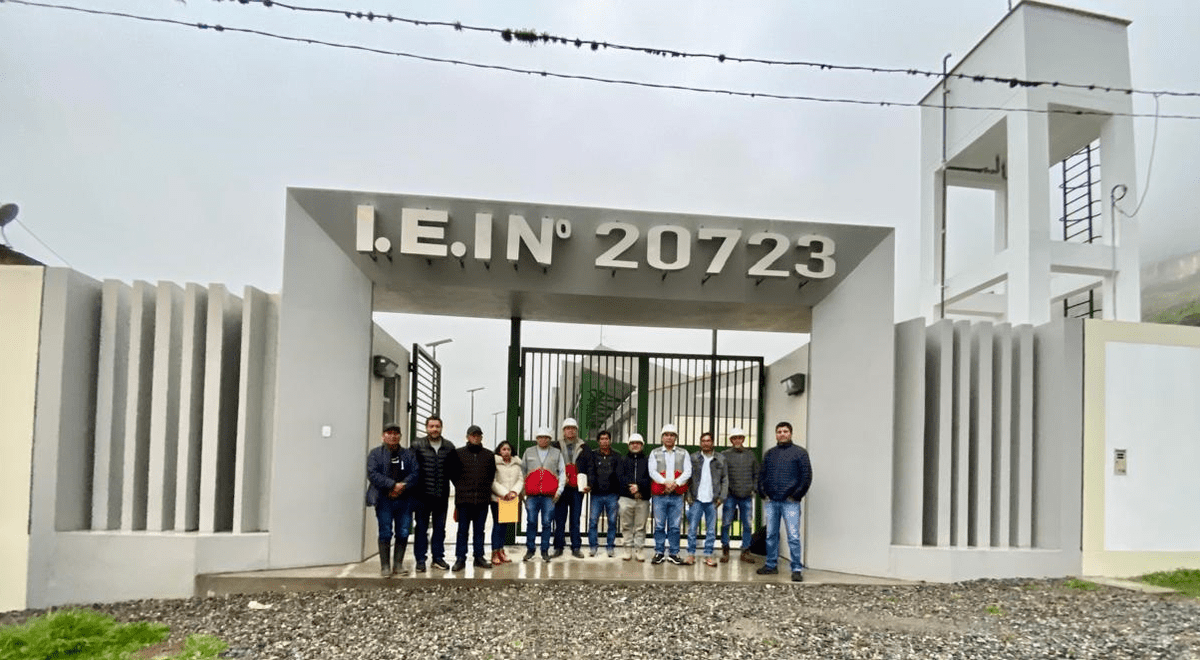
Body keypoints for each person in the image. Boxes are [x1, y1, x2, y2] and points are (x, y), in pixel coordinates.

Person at [756, 421, 813, 582]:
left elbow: (806, 476)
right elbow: (762, 475)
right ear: (776, 434)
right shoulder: (770, 454)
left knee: (793, 536)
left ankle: (796, 568)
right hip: (772, 501)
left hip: (790, 502)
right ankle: (771, 565)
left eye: (785, 431)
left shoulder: (800, 453)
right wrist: (763, 492)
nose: (782, 434)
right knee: (771, 535)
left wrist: (795, 495)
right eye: (779, 431)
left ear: (790, 433)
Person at [365, 423, 419, 577]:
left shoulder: (408, 454)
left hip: (405, 500)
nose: (393, 436)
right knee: (385, 532)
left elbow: (415, 473)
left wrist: (403, 486)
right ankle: (385, 566)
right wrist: (392, 485)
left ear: (400, 436)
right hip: (384, 500)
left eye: (396, 433)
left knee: (402, 532)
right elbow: (372, 473)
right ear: (383, 436)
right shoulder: (375, 454)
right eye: (389, 433)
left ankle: (398, 565)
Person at [447, 425, 496, 572]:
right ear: (467, 437)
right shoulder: (458, 453)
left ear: (481, 437)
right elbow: (453, 474)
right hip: (464, 501)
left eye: (478, 435)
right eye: (473, 435)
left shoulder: (488, 455)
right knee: (462, 531)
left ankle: (479, 557)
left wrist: (483, 489)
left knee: (479, 531)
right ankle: (460, 558)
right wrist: (462, 487)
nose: (475, 437)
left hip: (482, 500)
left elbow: (491, 475)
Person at [411, 416, 455, 572]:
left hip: (441, 495)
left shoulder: (449, 447)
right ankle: (420, 560)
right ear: (426, 428)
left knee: (440, 529)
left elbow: (454, 472)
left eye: (437, 426)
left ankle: (438, 558)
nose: (434, 429)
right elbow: (412, 470)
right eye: (431, 426)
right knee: (421, 528)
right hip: (422, 496)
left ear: (441, 428)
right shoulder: (417, 445)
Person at [648, 423, 691, 565]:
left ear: (676, 438)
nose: (669, 438)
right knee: (659, 525)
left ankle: (674, 553)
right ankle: (659, 552)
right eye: (666, 435)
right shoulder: (655, 453)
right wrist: (665, 483)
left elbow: (688, 471)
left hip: (677, 495)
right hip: (660, 494)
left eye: (672, 435)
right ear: (662, 437)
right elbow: (652, 471)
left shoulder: (684, 453)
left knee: (675, 526)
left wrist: (676, 484)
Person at [522, 427, 565, 562]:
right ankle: (530, 549)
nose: (543, 440)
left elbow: (562, 472)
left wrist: (559, 491)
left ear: (550, 439)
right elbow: (522, 471)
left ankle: (544, 550)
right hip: (532, 495)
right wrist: (523, 490)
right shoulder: (528, 452)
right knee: (531, 522)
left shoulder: (557, 453)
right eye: (540, 437)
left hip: (549, 495)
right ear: (536, 439)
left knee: (547, 523)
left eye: (546, 437)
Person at [551, 417, 592, 558]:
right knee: (559, 519)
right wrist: (559, 479)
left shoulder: (584, 446)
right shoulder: (555, 446)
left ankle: (576, 547)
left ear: (576, 431)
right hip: (561, 488)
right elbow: (551, 465)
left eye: (573, 428)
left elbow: (590, 466)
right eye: (567, 428)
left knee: (575, 519)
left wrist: (588, 484)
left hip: (576, 488)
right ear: (563, 431)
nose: (570, 431)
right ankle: (558, 547)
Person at [685, 431, 727, 567]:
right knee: (692, 529)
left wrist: (722, 497)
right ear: (700, 443)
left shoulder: (720, 458)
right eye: (703, 441)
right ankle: (691, 554)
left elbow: (725, 479)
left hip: (712, 500)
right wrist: (688, 496)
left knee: (711, 530)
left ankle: (708, 555)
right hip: (696, 499)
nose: (706, 443)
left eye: (708, 440)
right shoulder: (693, 458)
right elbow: (687, 477)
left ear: (713, 443)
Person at [721, 427, 760, 563]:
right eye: (734, 438)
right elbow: (722, 475)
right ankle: (725, 550)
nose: (737, 440)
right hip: (730, 495)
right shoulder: (724, 455)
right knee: (726, 523)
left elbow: (756, 474)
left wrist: (754, 488)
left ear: (743, 439)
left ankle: (745, 551)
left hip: (746, 495)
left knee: (748, 525)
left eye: (740, 438)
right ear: (731, 440)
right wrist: (725, 491)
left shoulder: (751, 455)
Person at [584, 430, 621, 557]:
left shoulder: (616, 456)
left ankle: (610, 547)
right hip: (596, 494)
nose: (604, 441)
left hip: (612, 494)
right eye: (602, 439)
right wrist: (589, 485)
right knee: (593, 521)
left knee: (612, 521)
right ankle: (593, 547)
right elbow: (590, 471)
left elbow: (619, 475)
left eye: (607, 438)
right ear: (598, 441)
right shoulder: (593, 455)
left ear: (610, 440)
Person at [617, 433, 652, 561]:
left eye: (638, 443)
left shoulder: (648, 460)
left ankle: (639, 549)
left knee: (640, 526)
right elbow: (620, 477)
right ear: (628, 446)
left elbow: (650, 478)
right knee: (626, 525)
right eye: (632, 443)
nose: (635, 445)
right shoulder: (622, 460)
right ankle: (627, 549)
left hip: (643, 498)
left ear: (642, 445)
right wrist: (632, 489)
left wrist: (640, 488)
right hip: (626, 498)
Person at [490, 440, 523, 565]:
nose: (506, 452)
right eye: (503, 449)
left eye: (508, 449)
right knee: (497, 526)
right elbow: (492, 481)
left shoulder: (517, 464)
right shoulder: (495, 463)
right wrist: (504, 493)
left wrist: (514, 492)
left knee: (505, 527)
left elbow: (521, 479)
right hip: (498, 499)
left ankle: (501, 551)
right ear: (499, 451)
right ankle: (494, 552)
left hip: (511, 499)